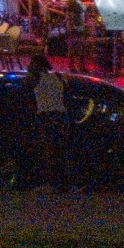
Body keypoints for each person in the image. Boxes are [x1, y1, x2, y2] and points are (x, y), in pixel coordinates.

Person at [29, 49, 71, 191]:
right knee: (61, 149)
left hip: (46, 116)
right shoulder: (59, 77)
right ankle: (63, 182)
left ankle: (47, 183)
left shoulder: (34, 79)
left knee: (46, 150)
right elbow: (66, 89)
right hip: (61, 116)